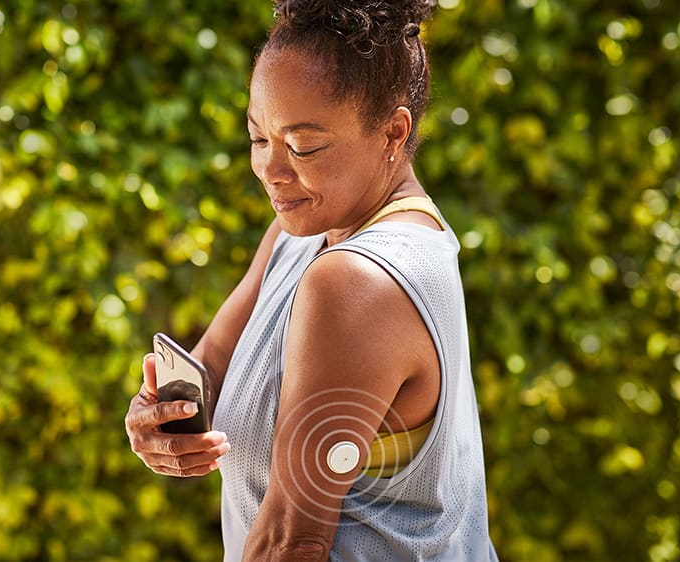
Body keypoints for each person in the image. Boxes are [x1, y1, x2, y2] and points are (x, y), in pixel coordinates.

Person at [124, 0, 497, 559]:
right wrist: (160, 416)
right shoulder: (299, 234)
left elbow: (291, 543)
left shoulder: (356, 280)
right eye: (258, 138)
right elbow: (211, 367)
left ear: (394, 132)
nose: (270, 171)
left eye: (304, 146)